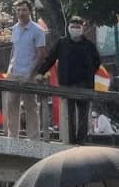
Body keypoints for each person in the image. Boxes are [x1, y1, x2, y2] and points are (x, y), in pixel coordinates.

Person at [35, 16, 100, 144]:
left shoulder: (89, 45)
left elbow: (97, 62)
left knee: (83, 115)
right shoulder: (62, 43)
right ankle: (71, 141)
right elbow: (50, 59)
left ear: (82, 28)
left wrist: (88, 72)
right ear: (68, 28)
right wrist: (41, 72)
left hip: (84, 85)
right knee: (68, 115)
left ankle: (81, 141)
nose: (75, 29)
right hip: (66, 84)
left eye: (78, 27)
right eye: (73, 27)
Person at [6, 0, 46, 139]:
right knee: (12, 104)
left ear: (29, 11)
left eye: (24, 10)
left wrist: (31, 73)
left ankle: (34, 138)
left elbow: (41, 54)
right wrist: (9, 68)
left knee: (31, 106)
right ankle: (12, 136)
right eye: (18, 10)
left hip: (29, 73)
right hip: (15, 72)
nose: (21, 13)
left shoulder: (38, 30)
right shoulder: (15, 28)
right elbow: (14, 50)